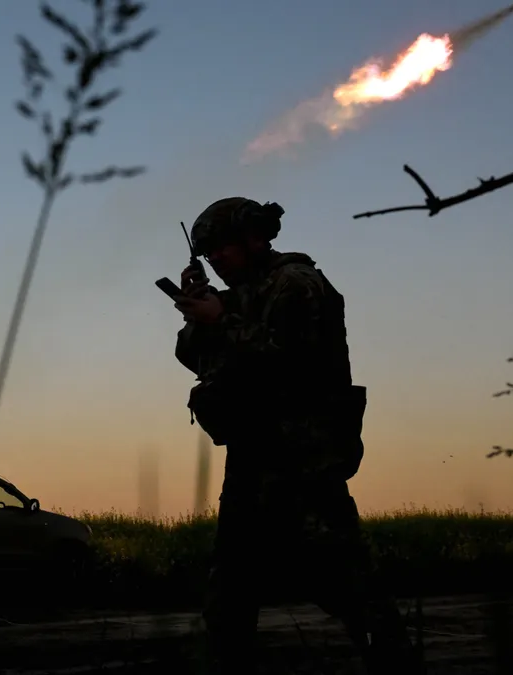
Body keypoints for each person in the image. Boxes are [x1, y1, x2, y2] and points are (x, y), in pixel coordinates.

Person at [171, 197, 423, 674]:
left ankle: (397, 665)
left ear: (253, 238)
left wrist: (220, 320)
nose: (216, 258)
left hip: (302, 462)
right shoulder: (240, 294)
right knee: (229, 592)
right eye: (208, 253)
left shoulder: (297, 284)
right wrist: (197, 315)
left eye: (222, 247)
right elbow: (197, 358)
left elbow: (288, 362)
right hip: (252, 458)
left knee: (343, 581)